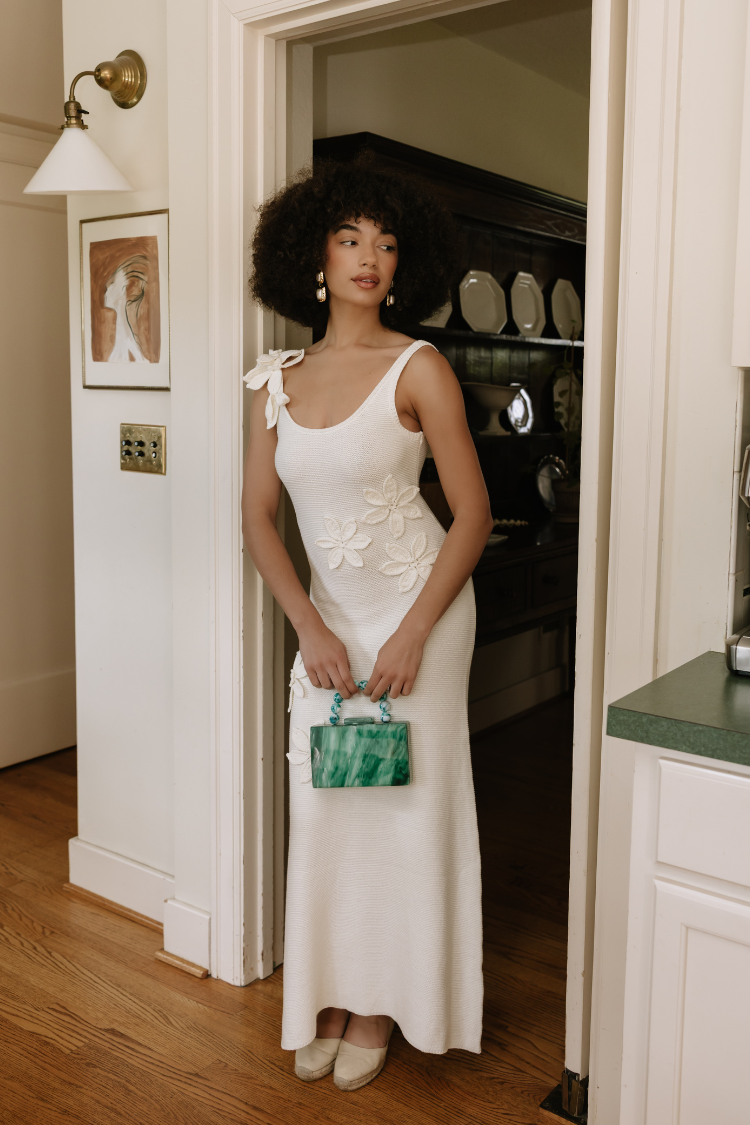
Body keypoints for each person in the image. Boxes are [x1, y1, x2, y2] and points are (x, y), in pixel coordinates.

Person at [242, 156, 491, 1092]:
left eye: (385, 243)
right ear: (314, 253)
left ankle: (384, 1005)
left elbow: (472, 514)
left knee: (401, 809)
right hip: (330, 624)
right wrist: (307, 627)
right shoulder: (274, 381)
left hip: (422, 611)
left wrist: (414, 631)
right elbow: (256, 516)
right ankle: (333, 993)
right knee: (329, 806)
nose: (369, 256)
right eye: (350, 238)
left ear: (403, 261)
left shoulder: (419, 368)